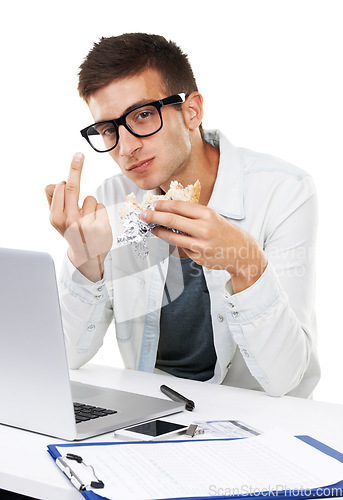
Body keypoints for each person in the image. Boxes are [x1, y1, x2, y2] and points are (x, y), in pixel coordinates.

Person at [45, 33, 320, 398]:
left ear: (191, 111)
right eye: (109, 129)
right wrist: (84, 260)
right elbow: (66, 356)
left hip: (258, 422)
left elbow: (286, 379)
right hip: (156, 411)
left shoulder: (285, 191)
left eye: (142, 115)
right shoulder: (113, 199)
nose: (126, 148)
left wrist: (246, 264)